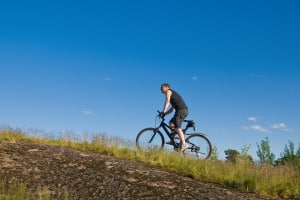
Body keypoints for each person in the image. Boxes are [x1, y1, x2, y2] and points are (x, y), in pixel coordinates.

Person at [159, 83, 189, 151]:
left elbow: (167, 101)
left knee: (177, 126)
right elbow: (172, 109)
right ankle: (173, 140)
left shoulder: (169, 91)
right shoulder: (173, 97)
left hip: (182, 110)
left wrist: (163, 111)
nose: (160, 89)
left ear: (166, 87)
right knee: (171, 123)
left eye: (161, 87)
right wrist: (165, 114)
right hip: (180, 110)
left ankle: (184, 144)